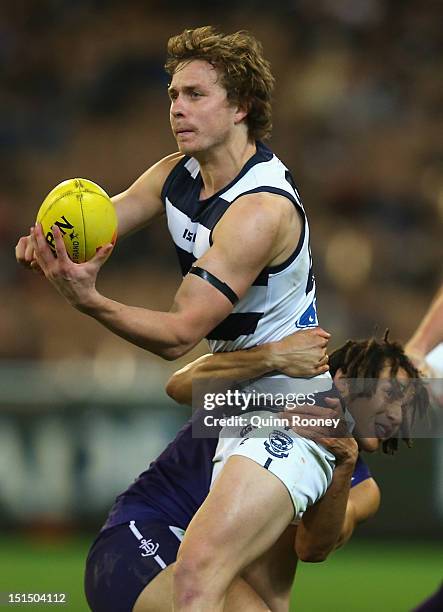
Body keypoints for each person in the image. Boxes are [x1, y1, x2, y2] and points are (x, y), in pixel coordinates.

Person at [16, 26, 336, 610]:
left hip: (294, 407)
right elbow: (102, 218)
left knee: (194, 580)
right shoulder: (175, 175)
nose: (176, 108)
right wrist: (49, 241)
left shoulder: (258, 211)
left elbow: (179, 335)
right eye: (172, 95)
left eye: (194, 95)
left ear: (241, 107)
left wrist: (90, 301)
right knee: (261, 605)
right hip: (237, 402)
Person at [84, 331, 428, 612]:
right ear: (345, 380)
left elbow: (312, 549)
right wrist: (272, 357)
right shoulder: (275, 385)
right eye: (391, 393)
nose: (397, 415)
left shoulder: (361, 488)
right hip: (137, 543)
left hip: (204, 577)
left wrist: (344, 464)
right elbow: (179, 386)